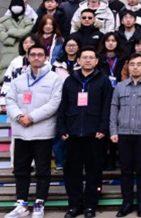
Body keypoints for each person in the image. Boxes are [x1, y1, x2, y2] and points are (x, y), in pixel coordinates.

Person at [3, 42, 64, 218]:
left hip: (42, 132)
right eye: (33, 55)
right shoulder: (19, 79)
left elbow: (54, 103)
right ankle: (21, 203)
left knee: (43, 170)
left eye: (40, 55)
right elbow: (10, 100)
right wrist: (19, 116)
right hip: (21, 131)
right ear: (28, 57)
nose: (36, 58)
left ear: (46, 58)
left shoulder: (54, 79)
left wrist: (32, 117)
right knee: (21, 169)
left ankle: (39, 202)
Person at [57, 47, 114, 218]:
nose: (88, 60)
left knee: (94, 172)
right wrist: (62, 128)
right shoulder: (70, 81)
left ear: (96, 61)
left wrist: (103, 128)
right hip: (72, 132)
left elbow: (107, 106)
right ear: (78, 61)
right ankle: (75, 205)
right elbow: (63, 106)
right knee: (72, 172)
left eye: (91, 58)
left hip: (95, 133)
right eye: (84, 57)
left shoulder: (103, 80)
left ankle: (90, 205)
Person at [110, 54, 141, 218]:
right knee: (125, 170)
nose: (135, 67)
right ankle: (127, 203)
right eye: (132, 64)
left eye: (139, 64)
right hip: (123, 133)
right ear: (128, 67)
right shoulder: (120, 87)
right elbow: (114, 109)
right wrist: (113, 131)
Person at [0, 0, 36, 81]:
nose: (16, 7)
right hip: (8, 50)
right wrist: (12, 40)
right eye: (14, 5)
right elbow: (0, 33)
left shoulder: (28, 20)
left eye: (19, 5)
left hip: (23, 50)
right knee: (6, 69)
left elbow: (26, 32)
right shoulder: (5, 20)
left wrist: (10, 32)